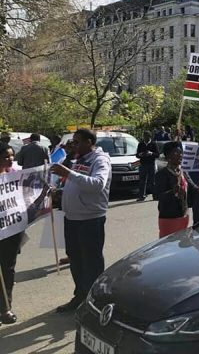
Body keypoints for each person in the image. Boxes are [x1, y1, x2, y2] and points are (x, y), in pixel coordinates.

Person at [50, 129, 112, 313]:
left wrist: (68, 173)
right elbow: (75, 184)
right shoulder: (78, 159)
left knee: (91, 262)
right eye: (72, 142)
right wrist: (59, 192)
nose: (73, 145)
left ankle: (95, 302)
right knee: (76, 259)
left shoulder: (100, 160)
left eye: (77, 142)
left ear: (89, 142)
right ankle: (80, 296)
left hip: (90, 220)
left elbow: (97, 184)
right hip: (72, 218)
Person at [0, 143, 22, 324]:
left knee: (7, 270)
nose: (10, 159)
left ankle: (6, 307)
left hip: (11, 231)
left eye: (12, 155)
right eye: (6, 156)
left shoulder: (15, 174)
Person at [155, 142, 190, 237]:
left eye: (181, 153)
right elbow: (158, 196)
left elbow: (192, 188)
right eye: (176, 153)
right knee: (168, 247)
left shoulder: (183, 172)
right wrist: (172, 192)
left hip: (183, 216)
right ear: (168, 156)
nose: (180, 155)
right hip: (169, 218)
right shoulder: (161, 174)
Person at [135, 131, 159, 202]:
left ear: (149, 137)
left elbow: (157, 154)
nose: (145, 138)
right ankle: (141, 196)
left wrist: (151, 153)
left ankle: (155, 196)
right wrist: (140, 154)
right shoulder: (141, 144)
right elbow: (137, 155)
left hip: (151, 164)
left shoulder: (153, 144)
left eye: (146, 136)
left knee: (152, 181)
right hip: (143, 164)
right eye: (144, 136)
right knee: (142, 181)